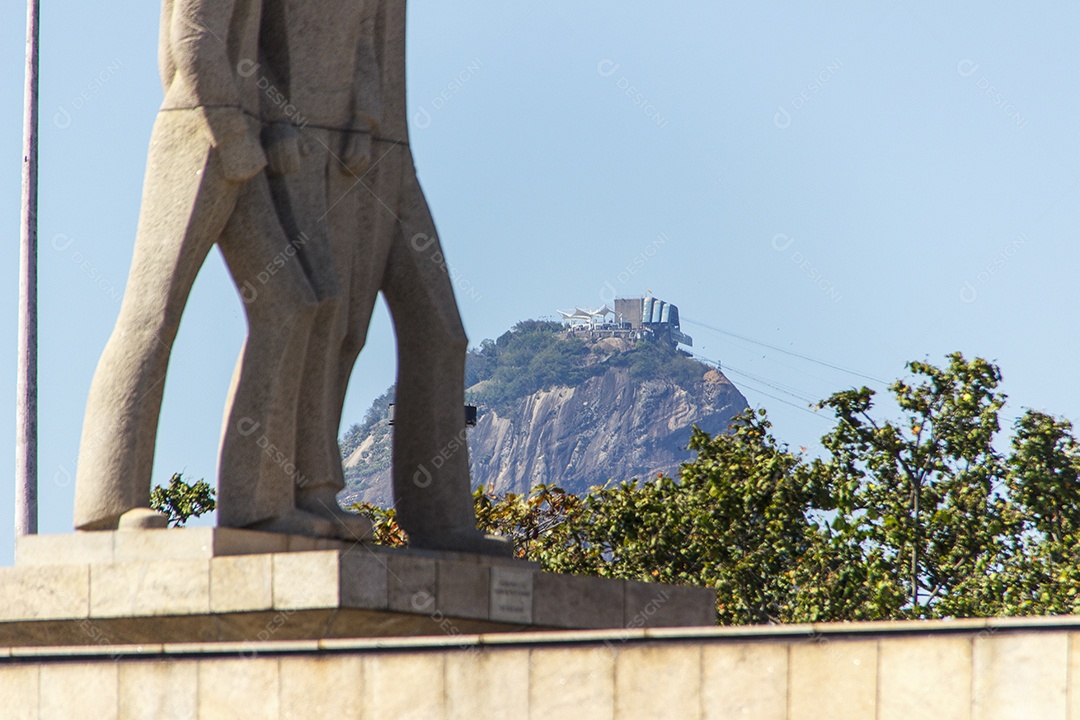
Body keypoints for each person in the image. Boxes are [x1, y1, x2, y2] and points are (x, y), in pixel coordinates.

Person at [74, 0, 352, 538]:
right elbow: (191, 41)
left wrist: (272, 126)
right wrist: (232, 133)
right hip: (195, 135)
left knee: (290, 304)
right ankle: (107, 503)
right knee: (151, 314)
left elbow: (248, 56)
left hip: (239, 135)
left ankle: (261, 504)